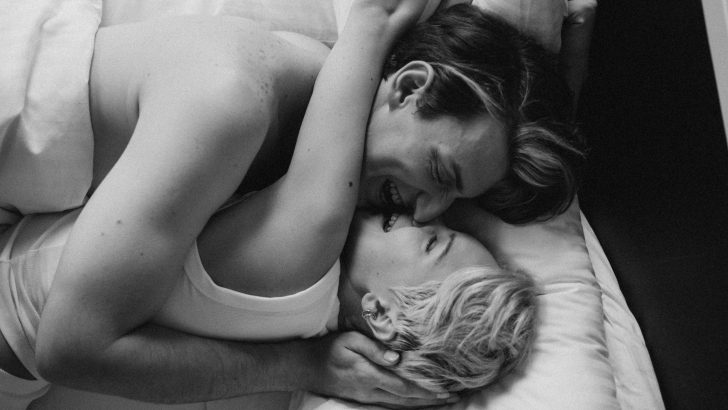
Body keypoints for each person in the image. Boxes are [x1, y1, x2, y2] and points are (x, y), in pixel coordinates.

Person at [2, 1, 579, 407]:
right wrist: (307, 367)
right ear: (407, 88)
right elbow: (69, 347)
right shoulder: (234, 105)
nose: (427, 211)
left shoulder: (311, 131)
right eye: (439, 174)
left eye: (453, 201)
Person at [0, 200, 537, 408]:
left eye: (432, 242)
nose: (425, 212)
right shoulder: (305, 339)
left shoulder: (303, 254)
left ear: (380, 313)